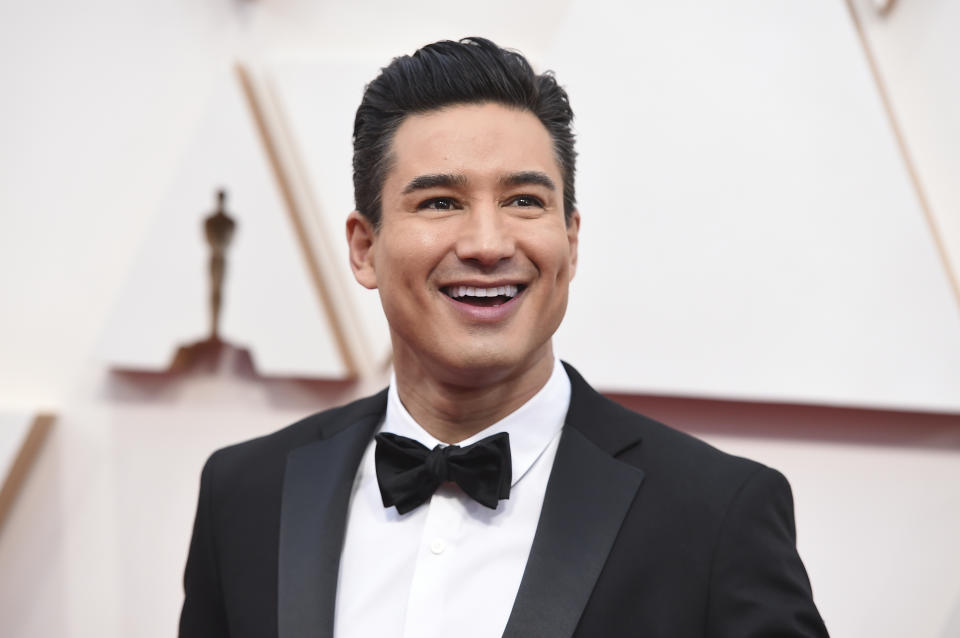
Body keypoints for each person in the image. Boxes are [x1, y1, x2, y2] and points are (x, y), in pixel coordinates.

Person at [179, 37, 828, 638]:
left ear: (570, 243)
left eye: (523, 201)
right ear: (365, 247)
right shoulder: (246, 493)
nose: (488, 245)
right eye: (440, 202)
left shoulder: (715, 515)